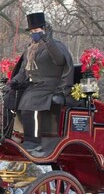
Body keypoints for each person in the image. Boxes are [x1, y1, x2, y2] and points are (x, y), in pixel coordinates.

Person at [7, 12, 74, 156]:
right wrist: (13, 82)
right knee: (9, 97)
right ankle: (8, 135)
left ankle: (34, 142)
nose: (34, 34)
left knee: (30, 102)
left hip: (50, 84)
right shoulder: (30, 48)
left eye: (36, 30)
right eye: (31, 31)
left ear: (44, 29)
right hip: (33, 85)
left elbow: (60, 60)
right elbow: (24, 71)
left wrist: (48, 40)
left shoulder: (54, 45)